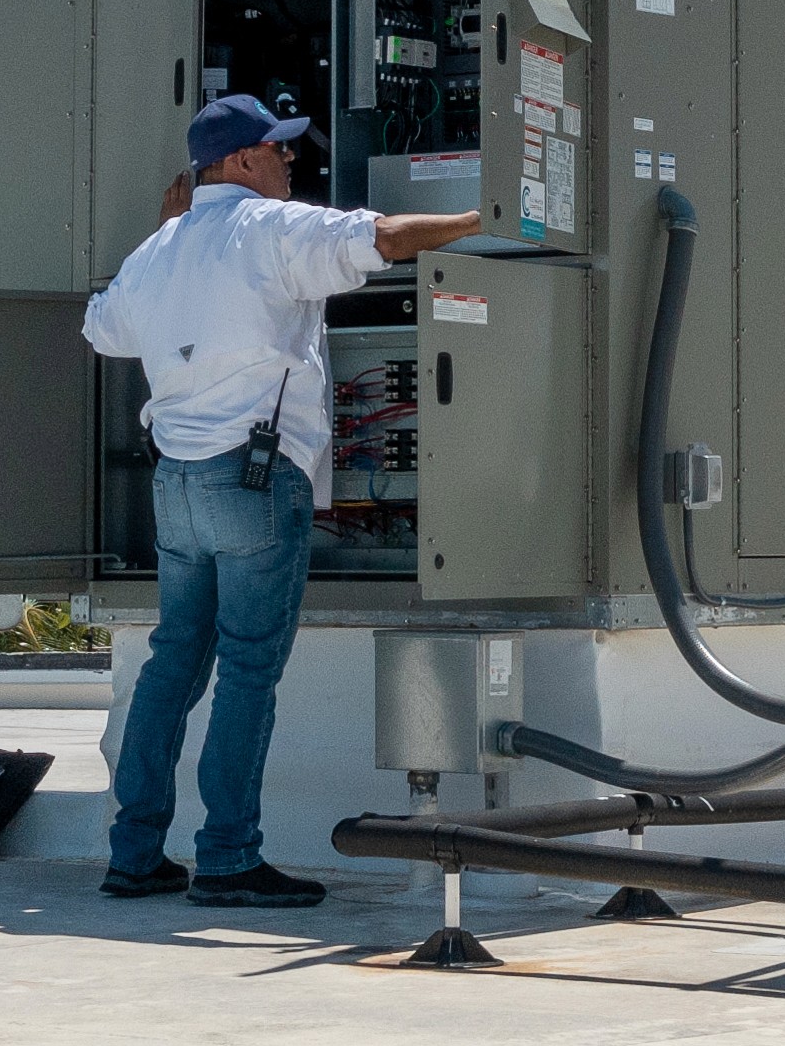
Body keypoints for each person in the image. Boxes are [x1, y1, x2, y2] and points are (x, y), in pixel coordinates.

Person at [78, 92, 482, 905]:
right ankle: (228, 858)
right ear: (239, 162)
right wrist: (485, 216)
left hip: (177, 483)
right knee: (248, 670)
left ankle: (134, 853)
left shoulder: (157, 249)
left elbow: (102, 329)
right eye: (279, 149)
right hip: (254, 480)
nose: (292, 161)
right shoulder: (271, 228)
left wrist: (165, 241)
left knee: (172, 663)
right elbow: (385, 238)